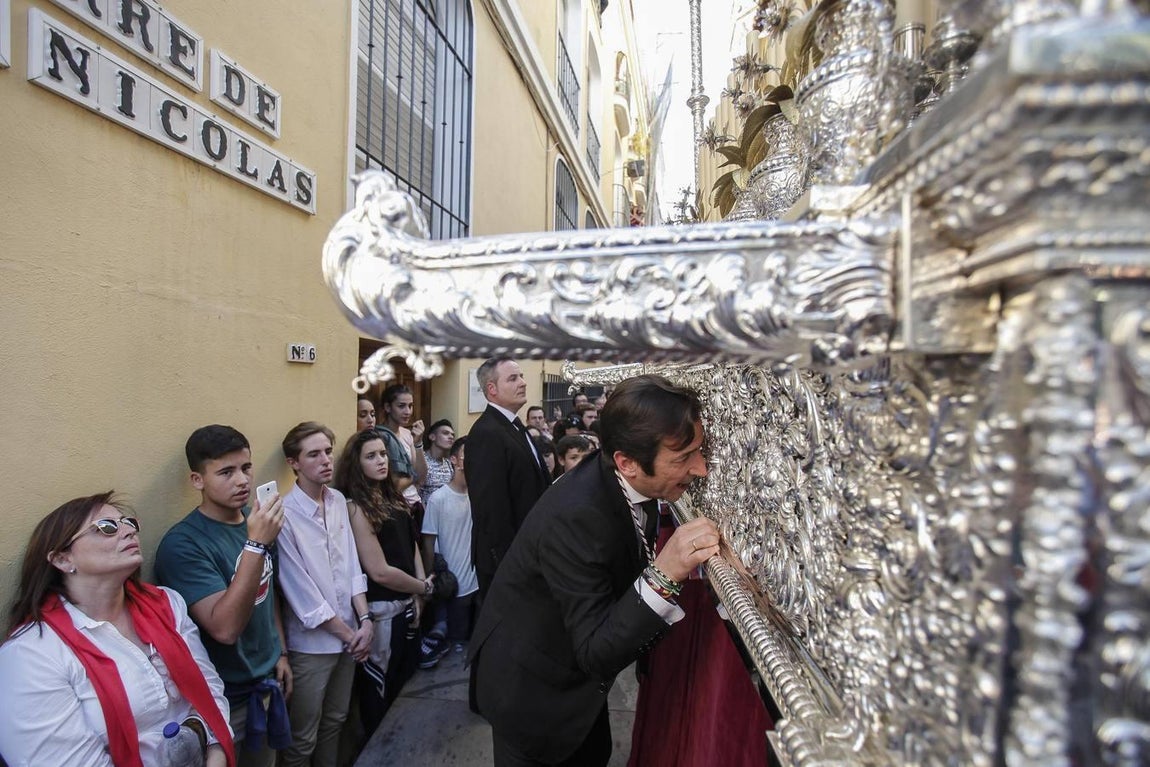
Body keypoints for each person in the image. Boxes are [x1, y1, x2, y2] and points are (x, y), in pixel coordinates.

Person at [469, 375, 720, 767]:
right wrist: (665, 573)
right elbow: (595, 651)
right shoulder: (577, 517)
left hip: (576, 687)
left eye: (699, 451)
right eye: (683, 458)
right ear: (628, 463)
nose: (700, 469)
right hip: (532, 694)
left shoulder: (634, 484)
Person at [0, 492, 235, 766]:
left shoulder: (167, 604)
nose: (128, 532)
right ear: (63, 560)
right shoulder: (31, 655)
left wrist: (216, 754)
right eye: (107, 528)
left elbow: (209, 691)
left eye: (129, 523)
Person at [156, 425, 292, 766]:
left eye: (246, 468)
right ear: (197, 480)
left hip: (268, 680)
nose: (242, 480)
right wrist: (256, 544)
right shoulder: (183, 544)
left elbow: (266, 588)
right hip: (227, 698)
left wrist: (281, 652)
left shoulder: (252, 519)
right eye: (226, 472)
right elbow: (225, 628)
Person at [276, 423, 373, 767]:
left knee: (335, 722)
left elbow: (351, 566)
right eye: (313, 454)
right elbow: (302, 595)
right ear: (294, 463)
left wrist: (365, 620)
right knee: (303, 738)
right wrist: (351, 636)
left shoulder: (337, 501)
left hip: (351, 636)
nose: (325, 460)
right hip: (313, 646)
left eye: (328, 451)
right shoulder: (284, 515)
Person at [335, 429, 435, 733]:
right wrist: (423, 587)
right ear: (356, 463)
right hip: (383, 610)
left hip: (408, 602)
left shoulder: (392, 496)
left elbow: (412, 545)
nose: (381, 461)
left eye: (383, 454)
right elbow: (378, 570)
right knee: (380, 690)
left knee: (403, 682)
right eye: (371, 456)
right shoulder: (355, 507)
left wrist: (419, 593)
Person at [465, 356, 552, 597]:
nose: (523, 383)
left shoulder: (513, 426)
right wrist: (512, 564)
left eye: (522, 376)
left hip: (531, 554)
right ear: (492, 389)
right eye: (513, 378)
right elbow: (490, 509)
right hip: (509, 564)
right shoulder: (486, 433)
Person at [421, 437, 479, 655]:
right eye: (466, 454)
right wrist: (429, 582)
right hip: (453, 586)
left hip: (477, 584)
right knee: (455, 645)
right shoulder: (439, 499)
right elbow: (428, 543)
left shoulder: (478, 494)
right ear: (454, 459)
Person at [376, 384, 426, 520]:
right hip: (394, 508)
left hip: (415, 504)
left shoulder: (407, 434)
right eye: (401, 406)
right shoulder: (380, 437)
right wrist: (413, 477)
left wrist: (418, 443)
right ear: (387, 407)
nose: (408, 411)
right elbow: (394, 485)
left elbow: (421, 476)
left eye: (410, 406)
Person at [418, 419, 455, 507]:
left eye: (452, 435)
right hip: (426, 513)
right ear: (432, 437)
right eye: (445, 433)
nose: (451, 437)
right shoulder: (421, 458)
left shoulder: (448, 463)